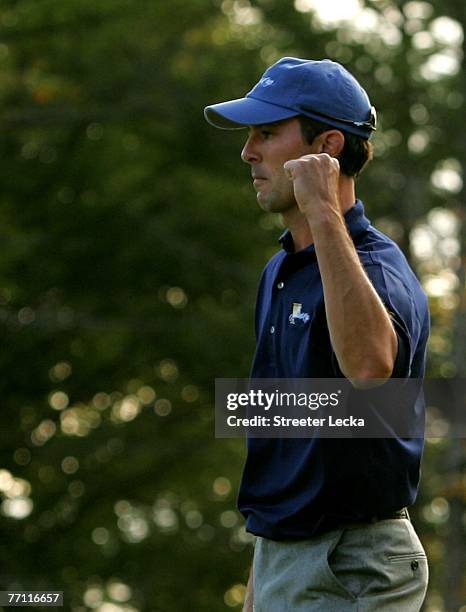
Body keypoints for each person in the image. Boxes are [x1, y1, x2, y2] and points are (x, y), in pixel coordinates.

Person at [204, 58, 430, 611]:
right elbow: (284, 444)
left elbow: (370, 368)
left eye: (266, 133)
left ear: (326, 147)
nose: (248, 152)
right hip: (285, 559)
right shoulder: (279, 271)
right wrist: (263, 577)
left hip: (352, 566)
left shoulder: (377, 269)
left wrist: (323, 212)